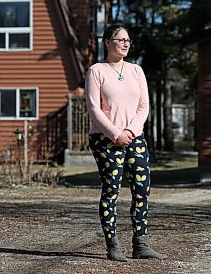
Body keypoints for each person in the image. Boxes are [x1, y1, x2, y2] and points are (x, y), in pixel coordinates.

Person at [85, 24, 167, 262]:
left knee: (142, 190)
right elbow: (94, 108)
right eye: (120, 39)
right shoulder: (96, 70)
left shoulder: (136, 71)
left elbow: (144, 107)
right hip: (105, 139)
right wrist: (114, 134)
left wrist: (130, 131)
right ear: (107, 42)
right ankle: (113, 247)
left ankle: (141, 244)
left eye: (128, 40)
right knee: (111, 190)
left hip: (134, 137)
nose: (125, 43)